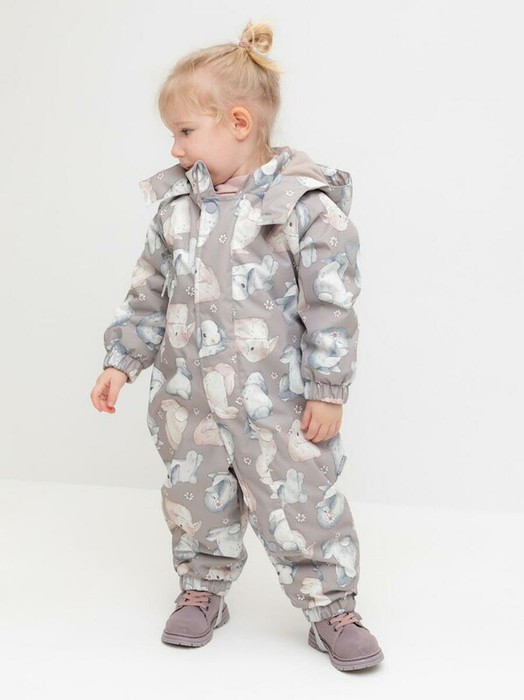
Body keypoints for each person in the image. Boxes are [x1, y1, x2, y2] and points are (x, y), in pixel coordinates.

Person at [90, 20, 384, 672]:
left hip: (279, 404)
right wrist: (122, 361)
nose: (175, 147)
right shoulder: (177, 208)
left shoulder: (304, 206)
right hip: (190, 398)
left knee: (302, 500)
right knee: (194, 498)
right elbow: (148, 291)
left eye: (185, 131)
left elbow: (331, 305)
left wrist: (328, 389)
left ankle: (331, 607)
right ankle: (202, 586)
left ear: (239, 123)